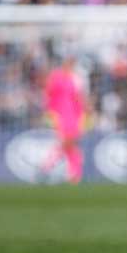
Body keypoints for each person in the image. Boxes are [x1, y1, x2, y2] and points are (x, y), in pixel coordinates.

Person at [42, 54, 86, 183]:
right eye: (69, 62)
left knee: (72, 144)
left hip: (75, 113)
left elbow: (79, 97)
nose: (71, 65)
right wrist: (49, 112)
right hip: (60, 113)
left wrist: (84, 111)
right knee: (67, 142)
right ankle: (48, 167)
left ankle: (74, 174)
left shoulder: (76, 78)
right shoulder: (56, 76)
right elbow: (48, 94)